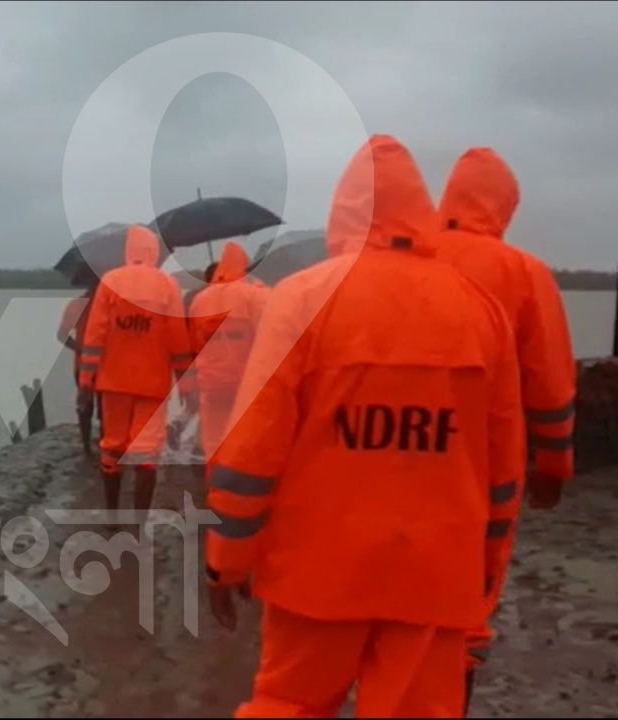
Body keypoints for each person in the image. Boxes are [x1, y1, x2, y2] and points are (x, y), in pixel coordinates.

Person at [204, 135, 526, 717]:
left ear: (342, 212)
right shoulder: (480, 309)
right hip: (434, 576)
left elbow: (253, 453)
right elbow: (503, 470)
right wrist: (484, 573)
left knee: (286, 705)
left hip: (314, 576)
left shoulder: (302, 299)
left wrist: (225, 561)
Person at [434, 147, 577, 707]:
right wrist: (555, 465)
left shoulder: (401, 255)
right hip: (485, 466)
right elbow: (550, 382)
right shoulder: (524, 273)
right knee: (468, 605)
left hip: (389, 453)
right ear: (504, 206)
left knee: (391, 604)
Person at [78, 225, 196, 523]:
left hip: (113, 383)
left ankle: (112, 516)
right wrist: (186, 384)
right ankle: (139, 525)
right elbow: (178, 340)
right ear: (153, 251)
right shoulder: (168, 285)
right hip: (153, 385)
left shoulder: (110, 281)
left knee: (112, 447)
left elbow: (94, 337)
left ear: (128, 252)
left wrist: (85, 382)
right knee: (146, 455)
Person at [186, 241, 271, 465]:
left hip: (211, 384)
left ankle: (213, 491)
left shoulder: (199, 300)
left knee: (213, 446)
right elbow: (270, 339)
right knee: (246, 445)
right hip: (245, 384)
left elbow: (195, 347)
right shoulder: (254, 295)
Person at [58, 283, 101, 453]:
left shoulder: (77, 305)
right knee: (90, 407)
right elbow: (62, 335)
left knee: (92, 407)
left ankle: (89, 447)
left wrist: (79, 349)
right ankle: (90, 447)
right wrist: (80, 349)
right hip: (91, 366)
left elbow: (62, 335)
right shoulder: (78, 305)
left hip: (91, 365)